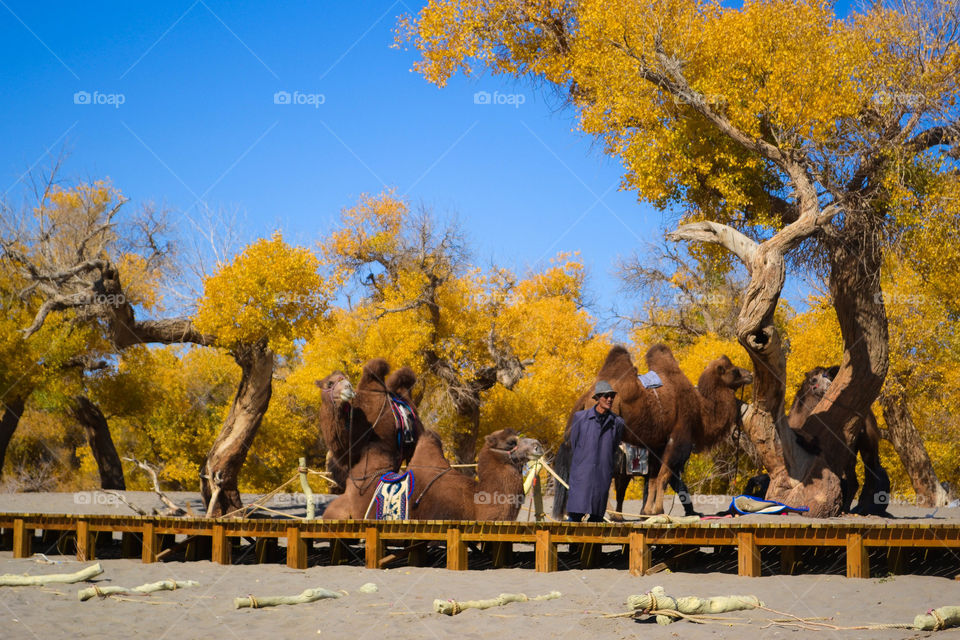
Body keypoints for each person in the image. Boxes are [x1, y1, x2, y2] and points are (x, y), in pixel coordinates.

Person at [566, 380, 624, 522]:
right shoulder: (580, 418)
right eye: (605, 396)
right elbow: (574, 444)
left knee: (597, 518)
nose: (609, 399)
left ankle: (591, 546)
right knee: (574, 517)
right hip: (582, 476)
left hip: (602, 476)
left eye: (612, 396)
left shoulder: (617, 422)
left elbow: (614, 447)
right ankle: (573, 545)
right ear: (597, 398)